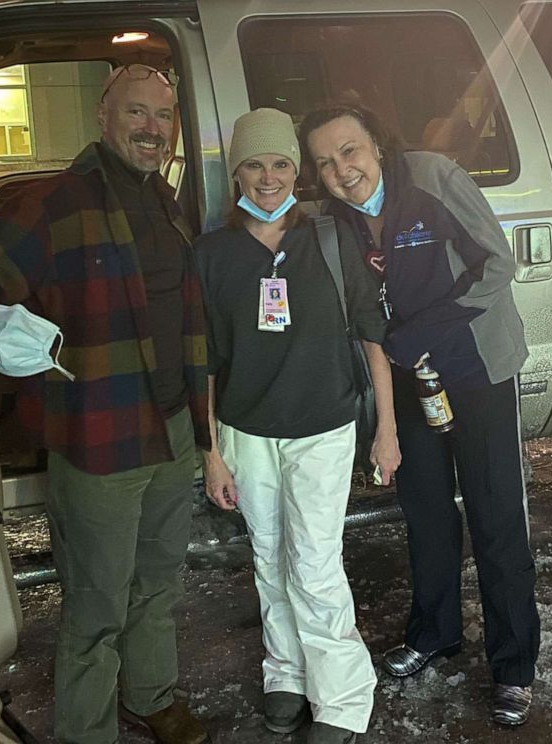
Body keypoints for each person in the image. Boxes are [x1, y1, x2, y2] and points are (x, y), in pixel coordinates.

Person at [0, 64, 211, 744]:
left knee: (158, 583)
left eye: (162, 117)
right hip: (100, 441)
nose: (152, 128)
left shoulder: (163, 199)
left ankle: (151, 695)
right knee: (96, 602)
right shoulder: (59, 199)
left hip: (174, 428)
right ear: (104, 116)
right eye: (137, 113)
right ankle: (87, 730)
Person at [300, 104, 541, 727]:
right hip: (408, 383)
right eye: (325, 161)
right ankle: (435, 631)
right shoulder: (339, 223)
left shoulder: (431, 179)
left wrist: (423, 330)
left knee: (495, 514)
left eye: (349, 151)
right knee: (427, 509)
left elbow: (497, 264)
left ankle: (514, 664)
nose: (341, 170)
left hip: (475, 367)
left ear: (376, 143)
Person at [194, 108, 400, 744]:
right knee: (268, 554)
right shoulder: (211, 254)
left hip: (323, 426)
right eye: (254, 164)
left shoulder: (330, 240)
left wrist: (386, 428)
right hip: (246, 431)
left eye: (281, 163)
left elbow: (372, 336)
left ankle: (341, 697)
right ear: (236, 173)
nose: (268, 177)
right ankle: (285, 671)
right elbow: (201, 360)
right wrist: (211, 454)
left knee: (313, 563)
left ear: (297, 171)